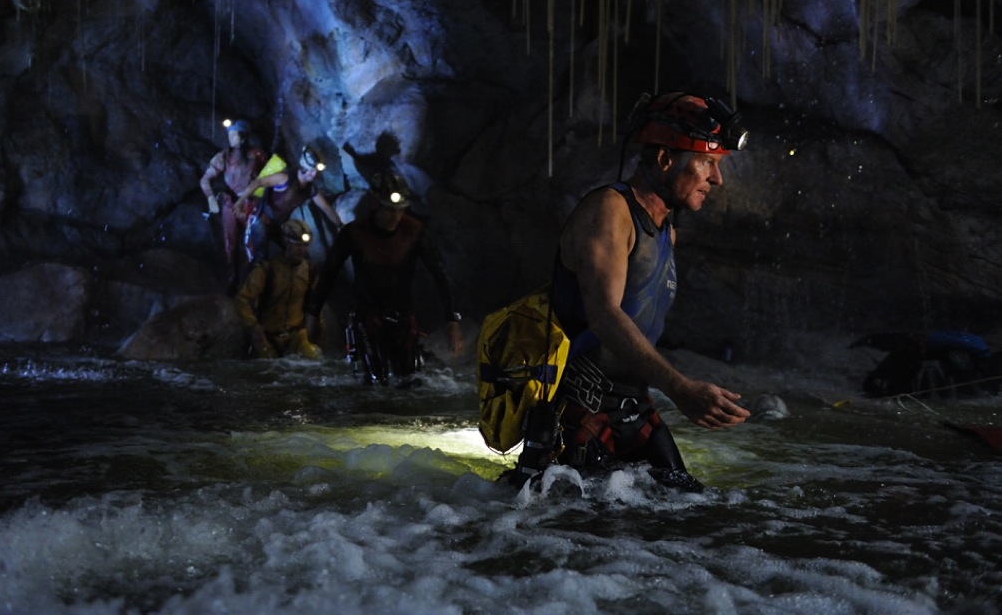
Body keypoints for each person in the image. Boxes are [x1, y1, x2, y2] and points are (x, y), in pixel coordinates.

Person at [520, 91, 752, 491]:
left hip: (633, 406)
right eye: (708, 163)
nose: (717, 179)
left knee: (690, 509)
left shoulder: (666, 231)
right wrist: (681, 388)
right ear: (665, 159)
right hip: (580, 409)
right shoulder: (609, 210)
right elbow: (605, 316)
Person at [304, 171, 463, 386]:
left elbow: (440, 274)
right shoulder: (355, 233)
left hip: (403, 317)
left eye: (400, 210)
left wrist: (452, 320)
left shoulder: (413, 231)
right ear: (375, 204)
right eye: (389, 209)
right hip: (368, 317)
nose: (395, 217)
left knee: (411, 381)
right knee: (377, 380)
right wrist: (313, 314)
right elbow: (329, 273)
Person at [235, 145, 343, 263]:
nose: (313, 174)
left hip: (279, 224)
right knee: (260, 257)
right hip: (262, 218)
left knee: (297, 255)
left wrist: (340, 225)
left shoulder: (309, 189)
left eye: (316, 172)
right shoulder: (285, 178)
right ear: (303, 167)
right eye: (311, 171)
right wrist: (240, 202)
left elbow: (326, 208)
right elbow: (259, 182)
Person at [234, 219, 322, 360]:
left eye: (305, 245)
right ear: (287, 244)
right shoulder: (267, 270)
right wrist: (254, 328)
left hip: (297, 335)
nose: (302, 250)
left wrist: (317, 331)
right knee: (267, 365)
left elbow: (315, 305)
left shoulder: (310, 271)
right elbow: (242, 299)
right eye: (297, 245)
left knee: (313, 358)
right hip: (268, 335)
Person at [200, 119, 267, 291]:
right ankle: (232, 277)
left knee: (251, 243)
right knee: (230, 243)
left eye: (234, 135)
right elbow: (205, 179)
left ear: (243, 137)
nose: (231, 138)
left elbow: (267, 176)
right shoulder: (224, 156)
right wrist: (210, 197)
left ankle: (252, 280)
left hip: (250, 204)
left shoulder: (257, 154)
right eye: (229, 135)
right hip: (230, 203)